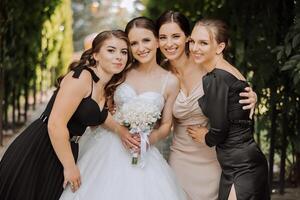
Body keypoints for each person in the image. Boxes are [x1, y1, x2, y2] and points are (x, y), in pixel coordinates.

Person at [59, 17, 186, 200]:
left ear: (157, 41)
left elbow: (166, 124)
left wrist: (150, 138)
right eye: (134, 43)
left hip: (143, 151)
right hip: (107, 147)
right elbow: (101, 110)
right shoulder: (120, 72)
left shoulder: (170, 81)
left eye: (146, 40)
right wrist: (119, 129)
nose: (141, 48)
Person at [0, 30, 136, 200]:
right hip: (42, 146)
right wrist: (70, 166)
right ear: (96, 55)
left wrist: (122, 131)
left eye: (124, 52)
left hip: (67, 149)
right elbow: (55, 124)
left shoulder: (105, 86)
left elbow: (100, 117)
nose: (119, 57)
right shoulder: (82, 77)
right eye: (111, 50)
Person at [156, 10, 257, 200]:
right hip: (181, 158)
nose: (169, 44)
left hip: (214, 157)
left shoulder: (207, 64)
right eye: (163, 37)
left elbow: (234, 85)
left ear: (187, 38)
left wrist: (253, 95)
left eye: (176, 36)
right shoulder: (160, 73)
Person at [188, 18, 269, 200]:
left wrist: (205, 137)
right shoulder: (229, 72)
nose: (194, 48)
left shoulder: (216, 78)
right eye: (192, 41)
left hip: (241, 167)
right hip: (243, 161)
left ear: (219, 47)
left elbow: (220, 129)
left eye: (203, 43)